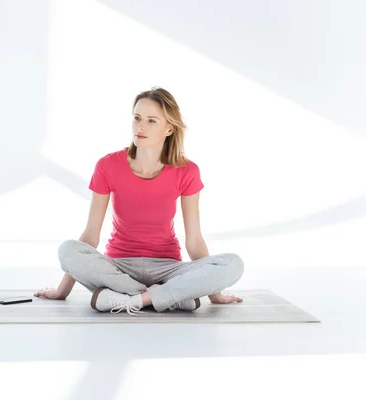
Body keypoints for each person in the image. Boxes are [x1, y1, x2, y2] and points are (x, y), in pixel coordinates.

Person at [34, 87, 245, 315]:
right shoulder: (107, 166)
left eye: (151, 121)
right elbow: (90, 235)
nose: (140, 126)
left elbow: (194, 241)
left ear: (169, 129)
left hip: (167, 268)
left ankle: (134, 300)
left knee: (233, 264)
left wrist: (215, 293)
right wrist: (61, 291)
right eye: (137, 118)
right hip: (119, 268)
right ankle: (169, 298)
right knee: (68, 250)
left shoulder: (187, 171)